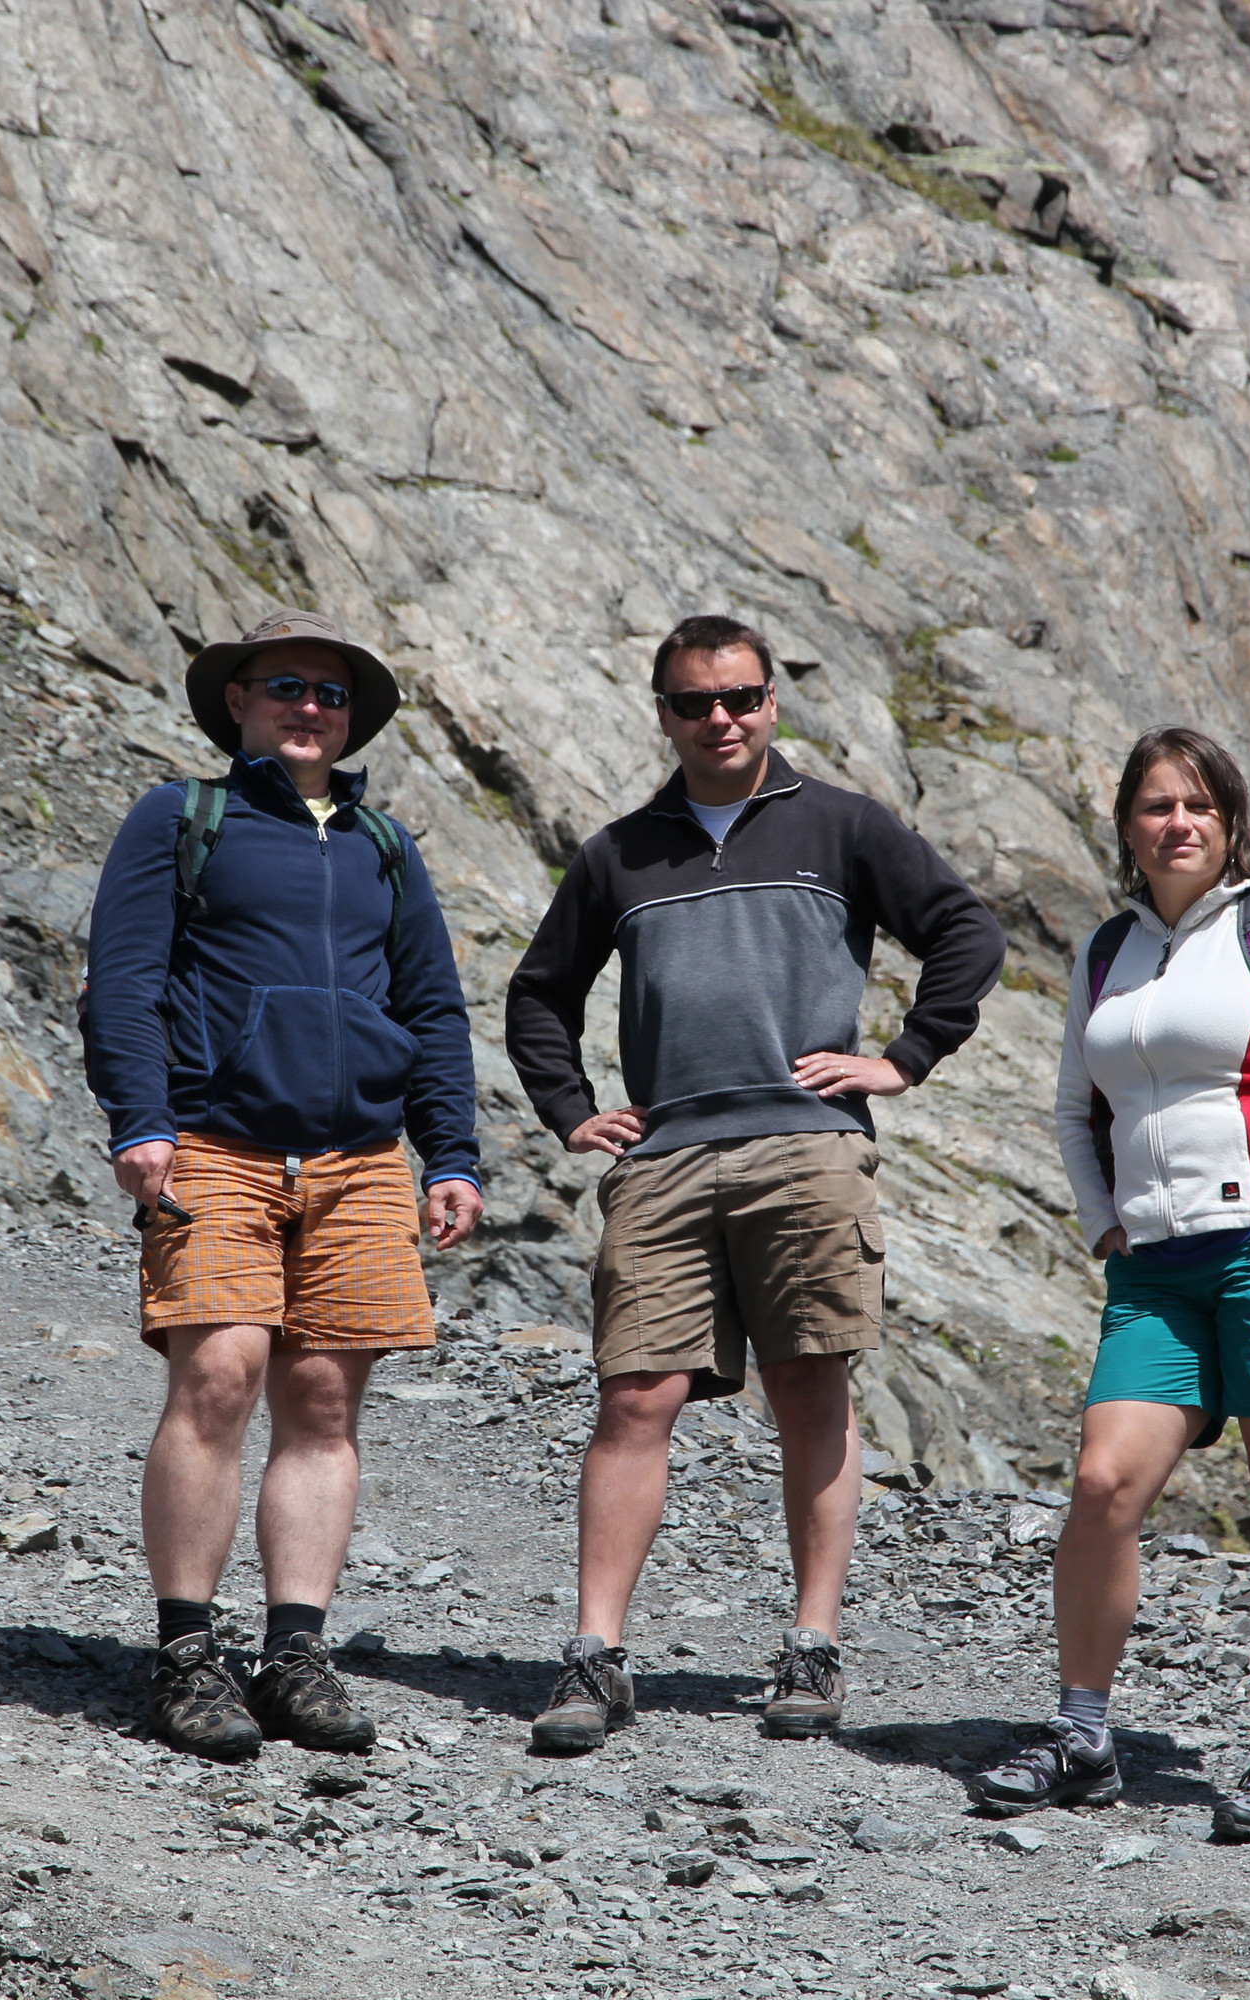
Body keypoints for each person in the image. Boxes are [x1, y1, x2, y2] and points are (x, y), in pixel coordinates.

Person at [504, 614, 1007, 1754]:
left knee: (809, 1387)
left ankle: (813, 1645)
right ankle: (594, 1653)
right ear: (664, 714)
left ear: (772, 701)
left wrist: (904, 1057)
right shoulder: (619, 853)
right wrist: (572, 1109)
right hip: (665, 1157)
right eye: (695, 702)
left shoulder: (844, 824)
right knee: (635, 1397)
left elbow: (966, 934)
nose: (720, 719)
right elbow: (540, 992)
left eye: (739, 697)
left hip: (806, 1147)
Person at [967, 725, 1250, 1841]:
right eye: (1157, 805)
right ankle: (1082, 1733)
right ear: (1127, 824)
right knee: (1103, 1481)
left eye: (1199, 806)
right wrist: (1103, 1222)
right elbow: (1074, 1105)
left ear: (1229, 822)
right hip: (1156, 1268)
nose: (1178, 823)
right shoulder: (1106, 950)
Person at [81, 607, 483, 1763]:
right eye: (287, 687)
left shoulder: (384, 846)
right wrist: (139, 1118)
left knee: (323, 1406)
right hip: (215, 1145)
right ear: (239, 703)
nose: (310, 707)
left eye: (331, 694)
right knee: (217, 1377)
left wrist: (451, 1151)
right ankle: (186, 1653)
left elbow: (432, 1005)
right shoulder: (182, 817)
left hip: (361, 1162)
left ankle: (294, 1653)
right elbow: (125, 977)